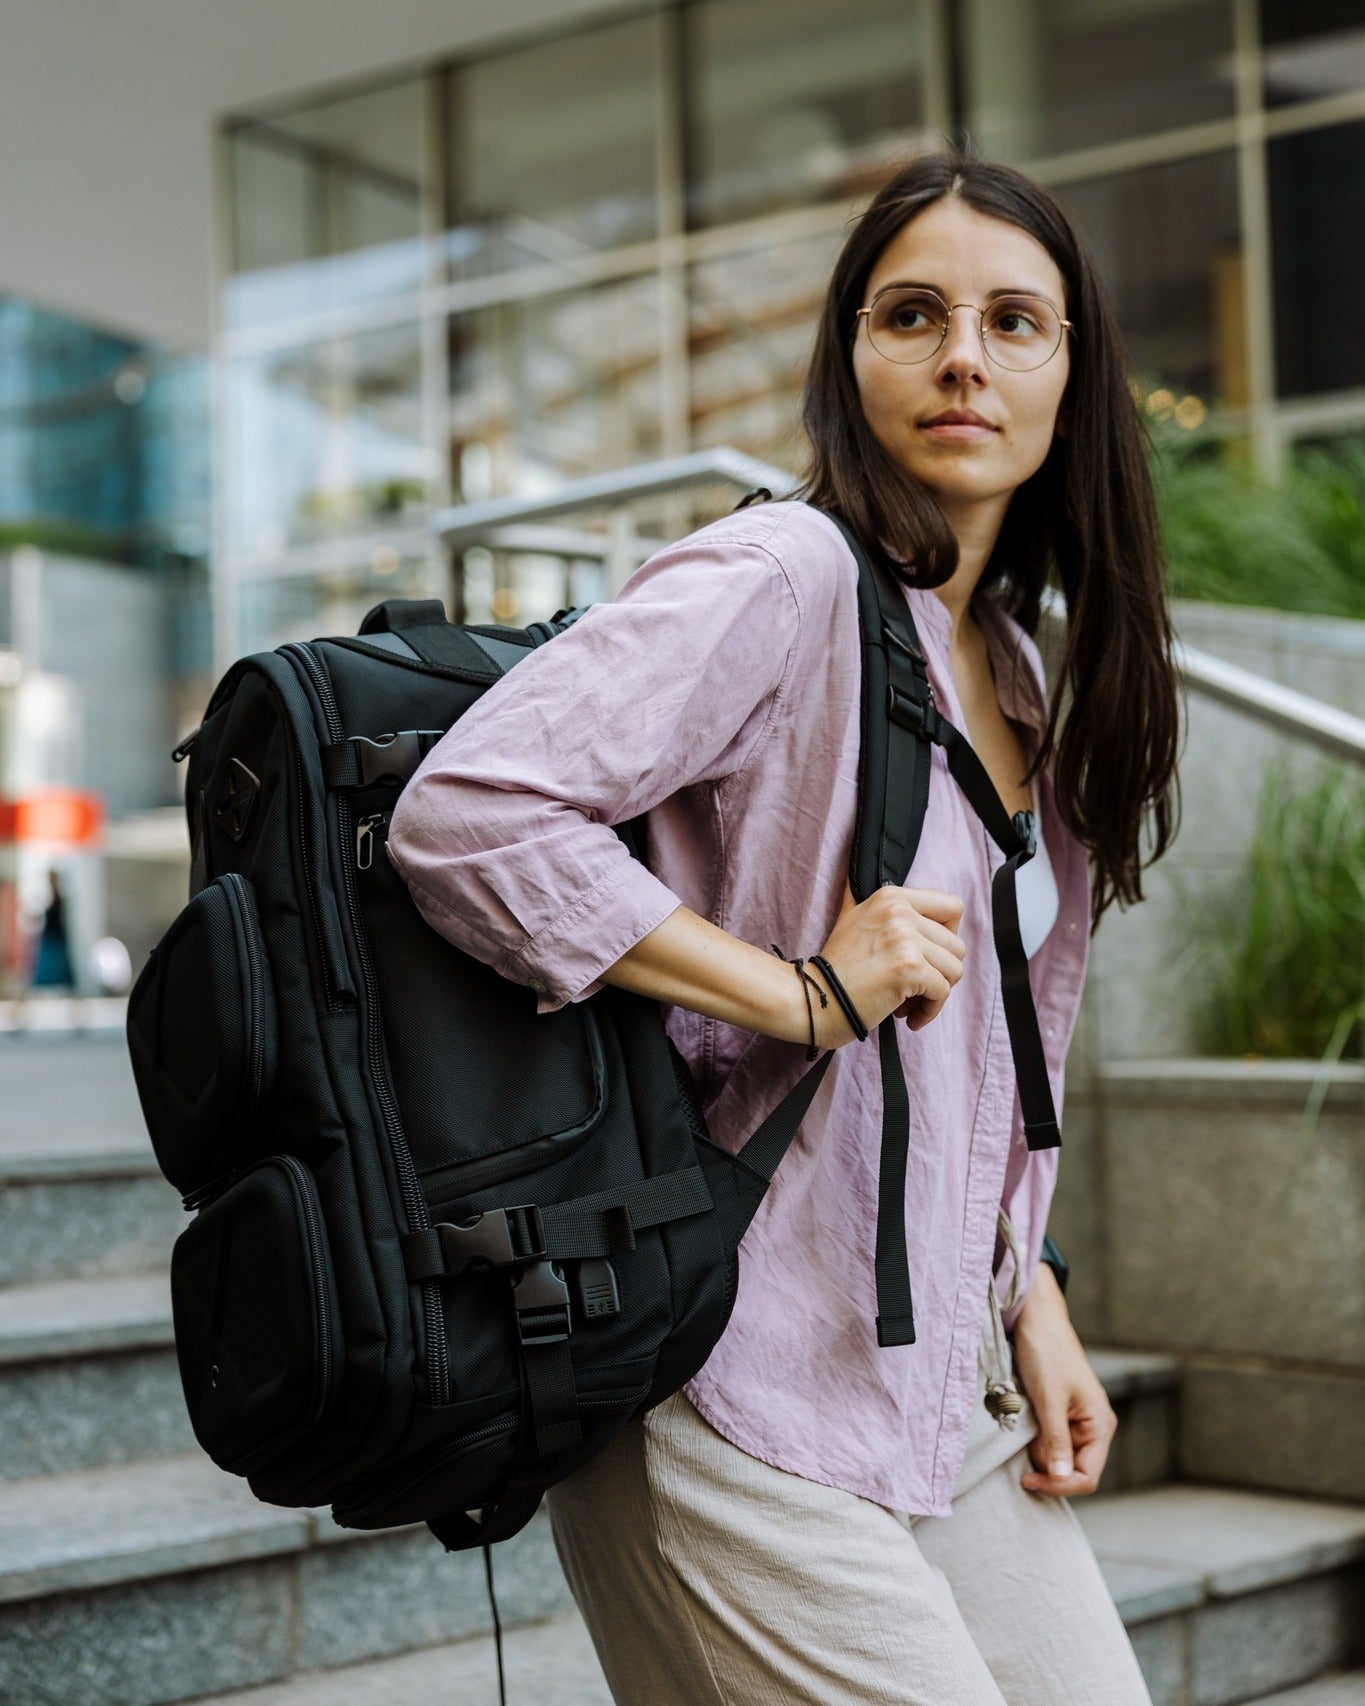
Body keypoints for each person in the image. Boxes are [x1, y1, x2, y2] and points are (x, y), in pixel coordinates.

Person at [386, 148, 1179, 1706]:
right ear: (850, 358)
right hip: (726, 1370)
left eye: (1016, 321)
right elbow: (468, 810)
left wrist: (1035, 1299)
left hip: (935, 1384)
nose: (963, 352)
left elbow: (972, 1076)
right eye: (912, 314)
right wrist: (802, 990)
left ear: (1071, 380)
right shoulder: (779, 573)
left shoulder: (1017, 669)